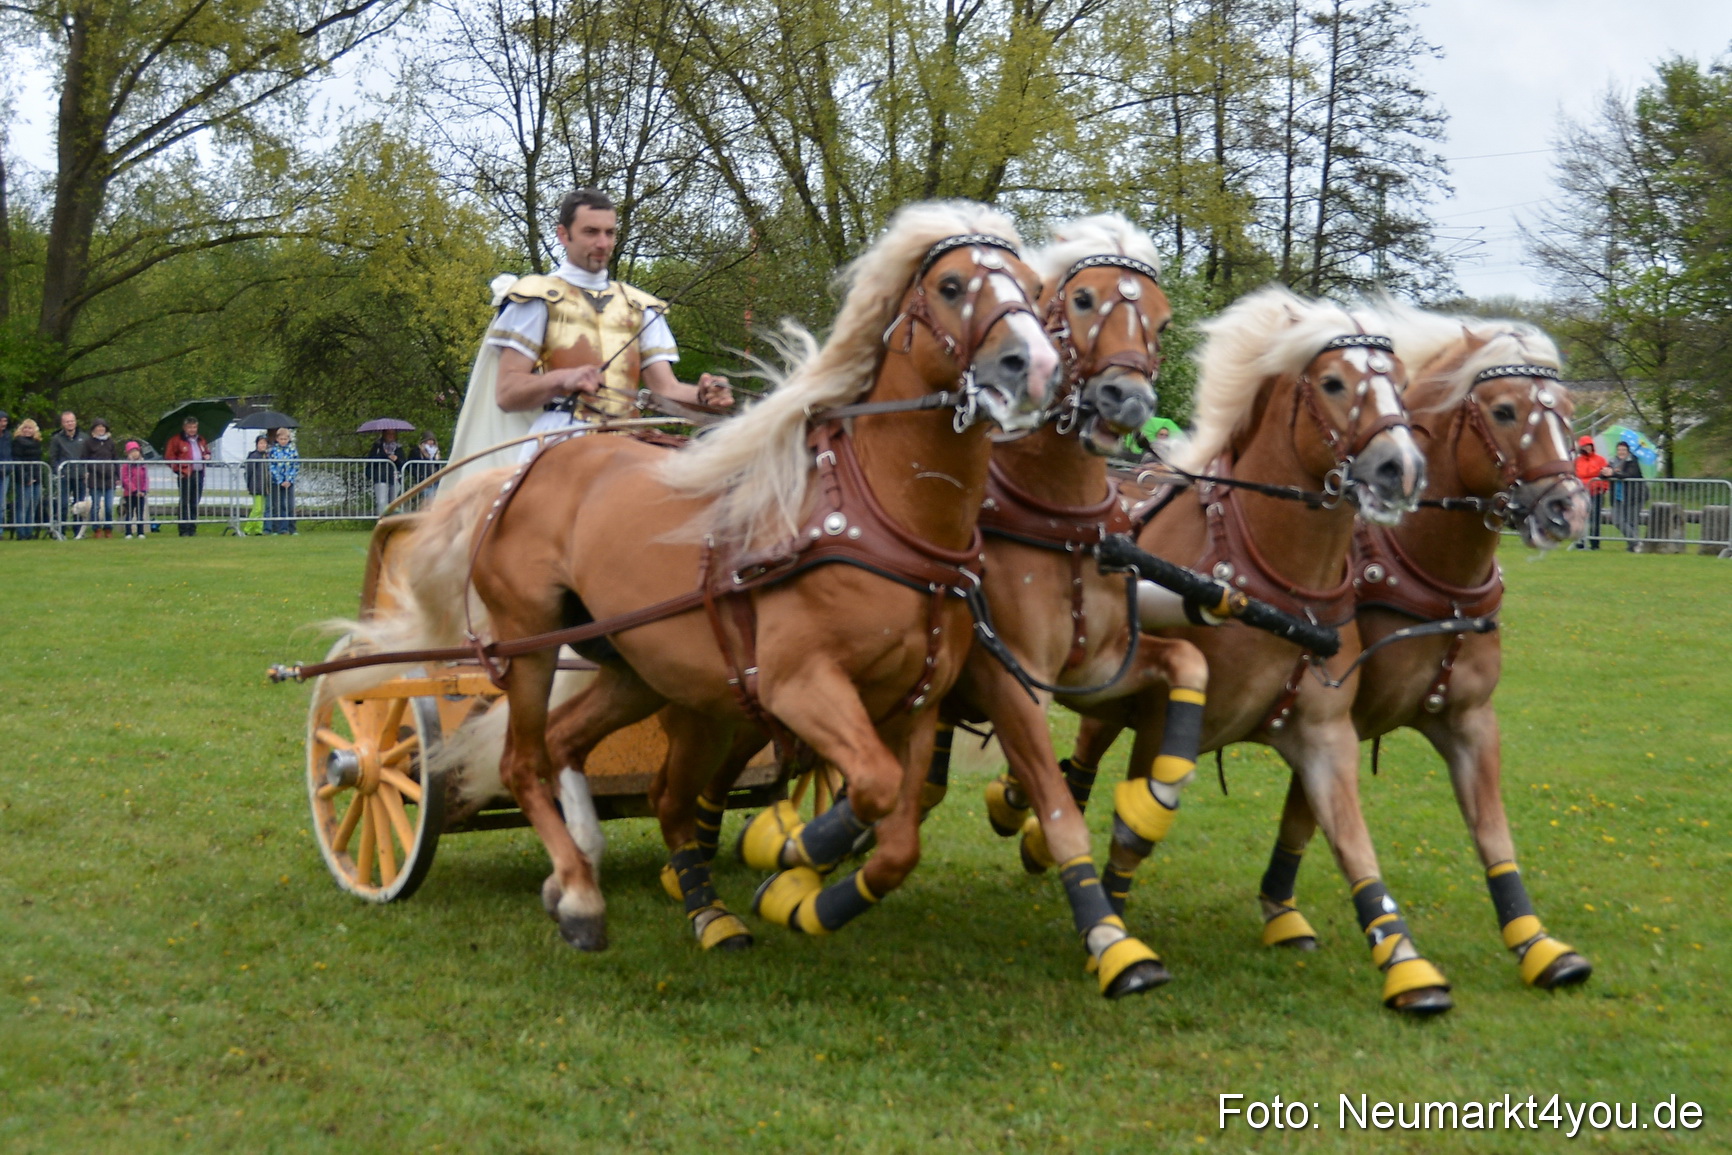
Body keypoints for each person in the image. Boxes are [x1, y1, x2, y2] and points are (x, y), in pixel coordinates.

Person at [444, 188, 733, 487]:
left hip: (632, 439)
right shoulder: (536, 299)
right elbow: (507, 392)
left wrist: (702, 396)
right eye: (591, 232)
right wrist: (562, 379)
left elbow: (665, 389)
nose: (602, 243)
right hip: (560, 439)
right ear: (563, 235)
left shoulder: (639, 306)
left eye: (609, 233)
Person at [165, 415, 212, 537]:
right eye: (190, 427)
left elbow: (206, 451)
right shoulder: (176, 440)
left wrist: (207, 456)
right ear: (184, 427)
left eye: (194, 427)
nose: (192, 429)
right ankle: (184, 529)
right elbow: (169, 457)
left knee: (195, 501)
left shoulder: (201, 439)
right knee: (185, 502)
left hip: (199, 473)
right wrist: (179, 470)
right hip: (185, 474)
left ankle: (192, 528)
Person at [80, 417, 120, 538]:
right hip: (95, 478)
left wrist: (117, 476)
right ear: (94, 429)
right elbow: (83, 459)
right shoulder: (88, 443)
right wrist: (86, 472)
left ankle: (108, 529)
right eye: (98, 427)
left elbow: (115, 459)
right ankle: (96, 529)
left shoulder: (111, 442)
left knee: (108, 506)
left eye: (103, 427)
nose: (100, 429)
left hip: (109, 478)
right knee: (96, 506)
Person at [49, 410, 88, 531]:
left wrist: (87, 471)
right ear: (62, 423)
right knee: (63, 504)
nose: (70, 423)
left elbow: (88, 456)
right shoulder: (56, 438)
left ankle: (78, 531)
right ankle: (61, 530)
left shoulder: (84, 437)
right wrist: (58, 471)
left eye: (72, 421)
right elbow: (53, 457)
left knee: (79, 505)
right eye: (67, 422)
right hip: (64, 477)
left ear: (75, 422)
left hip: (80, 476)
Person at [1605, 440, 1645, 551]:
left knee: (1632, 522)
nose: (1621, 452)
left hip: (1633, 496)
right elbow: (1604, 474)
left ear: (1628, 451)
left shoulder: (1633, 461)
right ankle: (1636, 542)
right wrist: (1605, 472)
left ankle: (1633, 546)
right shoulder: (1613, 461)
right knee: (1617, 520)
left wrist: (1614, 473)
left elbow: (1629, 474)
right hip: (1617, 496)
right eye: (1619, 449)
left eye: (1623, 450)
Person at [1572, 435, 1609, 550]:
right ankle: (1581, 541)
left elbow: (1604, 476)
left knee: (1595, 518)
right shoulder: (1577, 461)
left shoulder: (1600, 460)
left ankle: (1594, 542)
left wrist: (1602, 488)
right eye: (1585, 446)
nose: (1587, 448)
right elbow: (1575, 475)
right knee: (1580, 517)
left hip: (1596, 492)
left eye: (1589, 446)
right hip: (1581, 492)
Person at [10, 418, 43, 539]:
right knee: (23, 506)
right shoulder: (18, 442)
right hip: (24, 478)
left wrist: (38, 477)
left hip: (37, 476)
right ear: (21, 429)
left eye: (30, 428)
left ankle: (29, 532)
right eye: (25, 428)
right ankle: (21, 532)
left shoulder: (37, 442)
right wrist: (26, 478)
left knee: (32, 507)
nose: (28, 430)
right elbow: (17, 461)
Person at [266, 428, 299, 534]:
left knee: (290, 506)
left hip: (289, 482)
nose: (283, 441)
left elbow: (296, 465)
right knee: (276, 506)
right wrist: (280, 480)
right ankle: (276, 529)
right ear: (277, 439)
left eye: (285, 439)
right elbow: (271, 466)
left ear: (289, 439)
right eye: (281, 439)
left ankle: (291, 529)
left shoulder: (293, 450)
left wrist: (289, 480)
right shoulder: (274, 451)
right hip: (276, 482)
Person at [367, 429, 406, 514]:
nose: (391, 436)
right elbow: (371, 460)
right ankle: (382, 523)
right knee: (382, 502)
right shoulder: (377, 447)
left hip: (395, 477)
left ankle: (394, 523)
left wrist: (397, 459)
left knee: (394, 503)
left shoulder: (398, 448)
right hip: (381, 477)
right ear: (384, 434)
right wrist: (385, 456)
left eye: (393, 434)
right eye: (388, 434)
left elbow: (404, 464)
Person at [119, 441, 151, 539]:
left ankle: (140, 532)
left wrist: (144, 490)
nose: (135, 453)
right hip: (130, 493)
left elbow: (146, 478)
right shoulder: (126, 465)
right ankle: (128, 532)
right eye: (132, 451)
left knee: (140, 513)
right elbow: (125, 479)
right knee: (129, 513)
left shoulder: (142, 464)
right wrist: (134, 490)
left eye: (136, 451)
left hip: (141, 493)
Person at [243, 435, 271, 535]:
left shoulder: (266, 456)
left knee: (261, 509)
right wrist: (249, 484)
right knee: (257, 509)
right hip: (256, 486)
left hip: (264, 486)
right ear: (257, 444)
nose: (263, 445)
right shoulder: (254, 456)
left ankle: (258, 529)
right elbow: (249, 472)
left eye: (264, 443)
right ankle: (247, 529)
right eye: (261, 443)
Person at [0, 410, 12, 537]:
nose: (3, 424)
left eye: (5, 421)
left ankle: (0, 531)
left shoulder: (8, 436)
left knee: (2, 505)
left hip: (5, 473)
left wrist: (9, 466)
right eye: (1, 421)